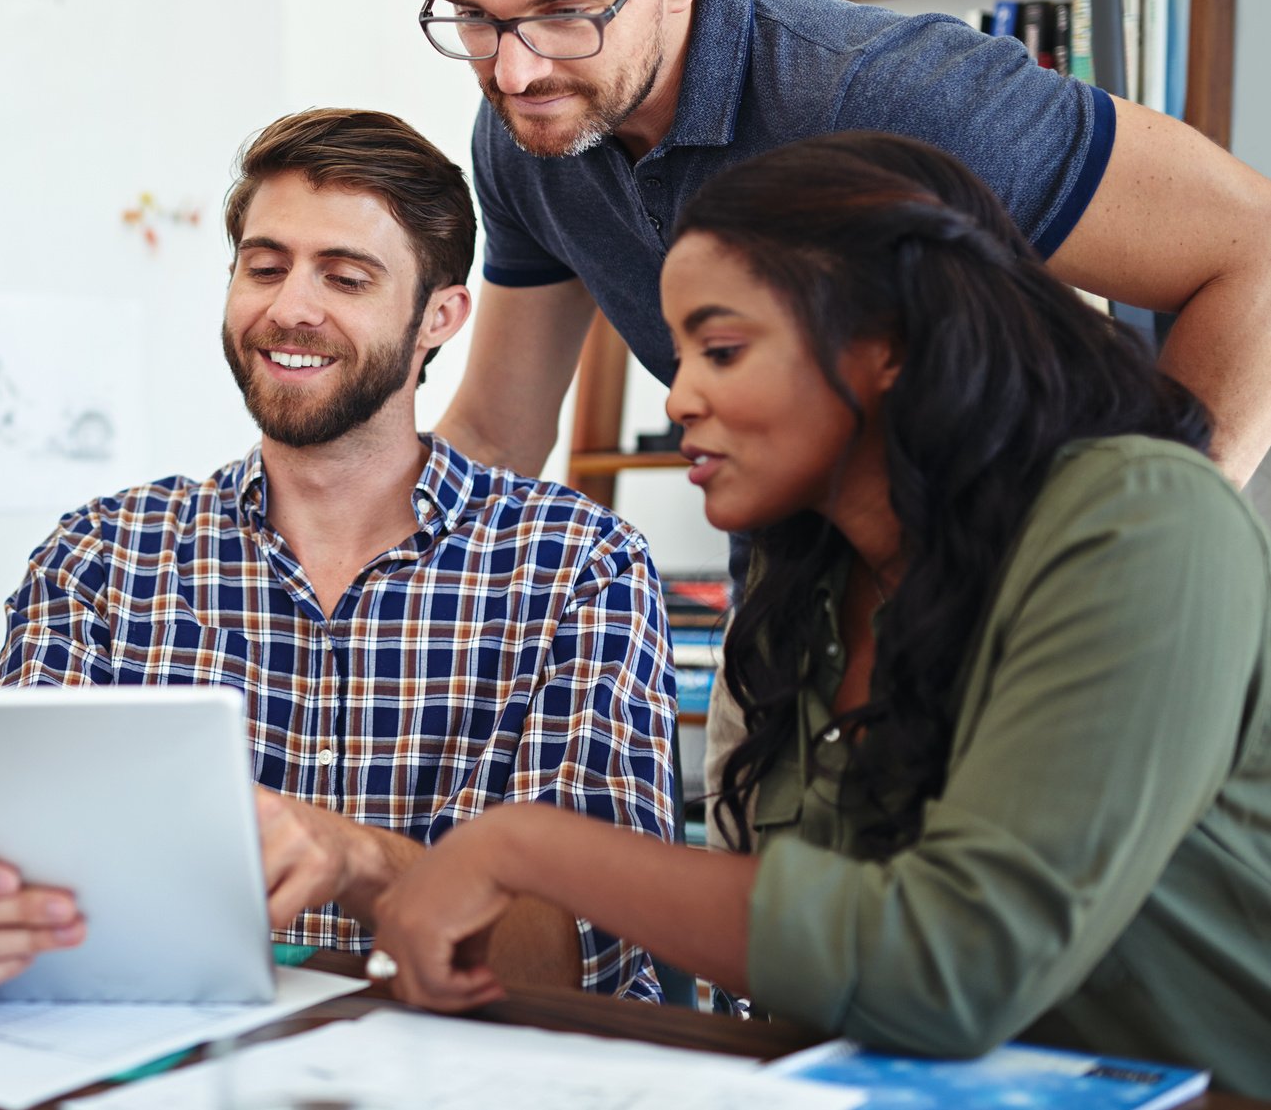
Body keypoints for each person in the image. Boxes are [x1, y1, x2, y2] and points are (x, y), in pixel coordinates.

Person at [370, 132, 1271, 1097]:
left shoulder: (1140, 520)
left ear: (885, 341)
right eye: (680, 357)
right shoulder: (805, 580)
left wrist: (522, 842)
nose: (680, 398)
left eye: (721, 348)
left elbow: (947, 968)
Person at [0, 108, 674, 1004]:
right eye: (264, 267)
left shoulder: (577, 564)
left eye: (345, 276)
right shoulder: (101, 553)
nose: (290, 308)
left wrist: (357, 858)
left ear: (438, 318)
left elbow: (583, 955)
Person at [421, 0, 1271, 490]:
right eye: (474, 18)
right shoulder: (527, 129)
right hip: (792, 601)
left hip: (1011, 593)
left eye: (566, 13)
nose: (513, 71)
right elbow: (498, 433)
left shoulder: (876, 91)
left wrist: (1155, 541)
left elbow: (1255, 243)